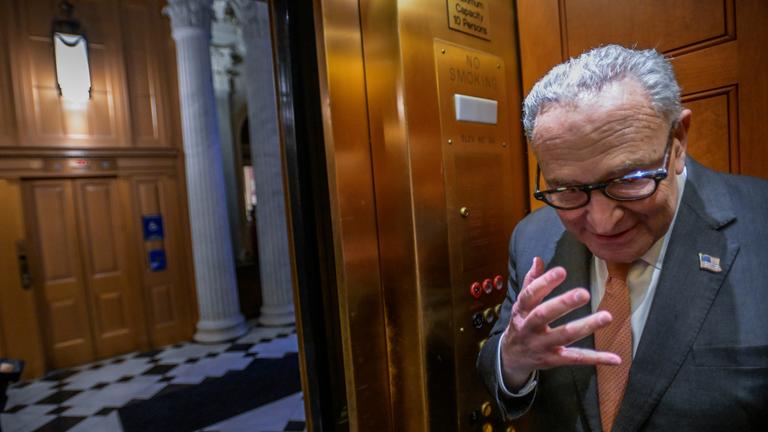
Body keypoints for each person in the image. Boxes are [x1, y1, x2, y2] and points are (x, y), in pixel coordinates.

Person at [477, 44, 768, 431]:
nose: (602, 222)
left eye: (629, 180)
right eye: (567, 190)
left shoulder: (759, 225)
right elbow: (499, 361)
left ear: (678, 140)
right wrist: (513, 359)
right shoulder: (533, 237)